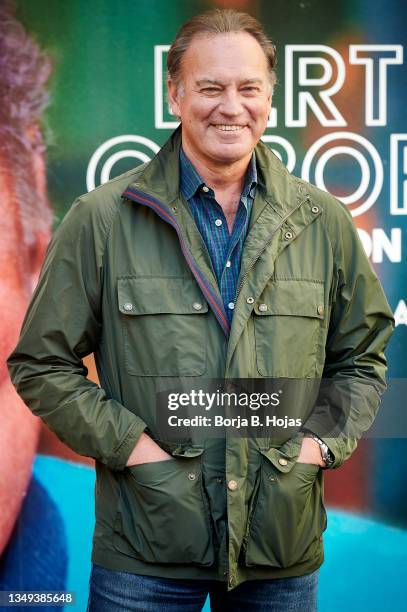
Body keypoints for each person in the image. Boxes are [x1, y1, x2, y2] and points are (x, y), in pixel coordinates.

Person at [7, 8, 394, 611]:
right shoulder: (103, 219)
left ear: (271, 95)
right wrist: (135, 450)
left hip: (279, 561)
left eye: (248, 88)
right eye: (210, 88)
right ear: (175, 93)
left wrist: (315, 448)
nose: (230, 107)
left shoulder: (325, 223)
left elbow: (363, 360)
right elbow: (40, 364)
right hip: (145, 556)